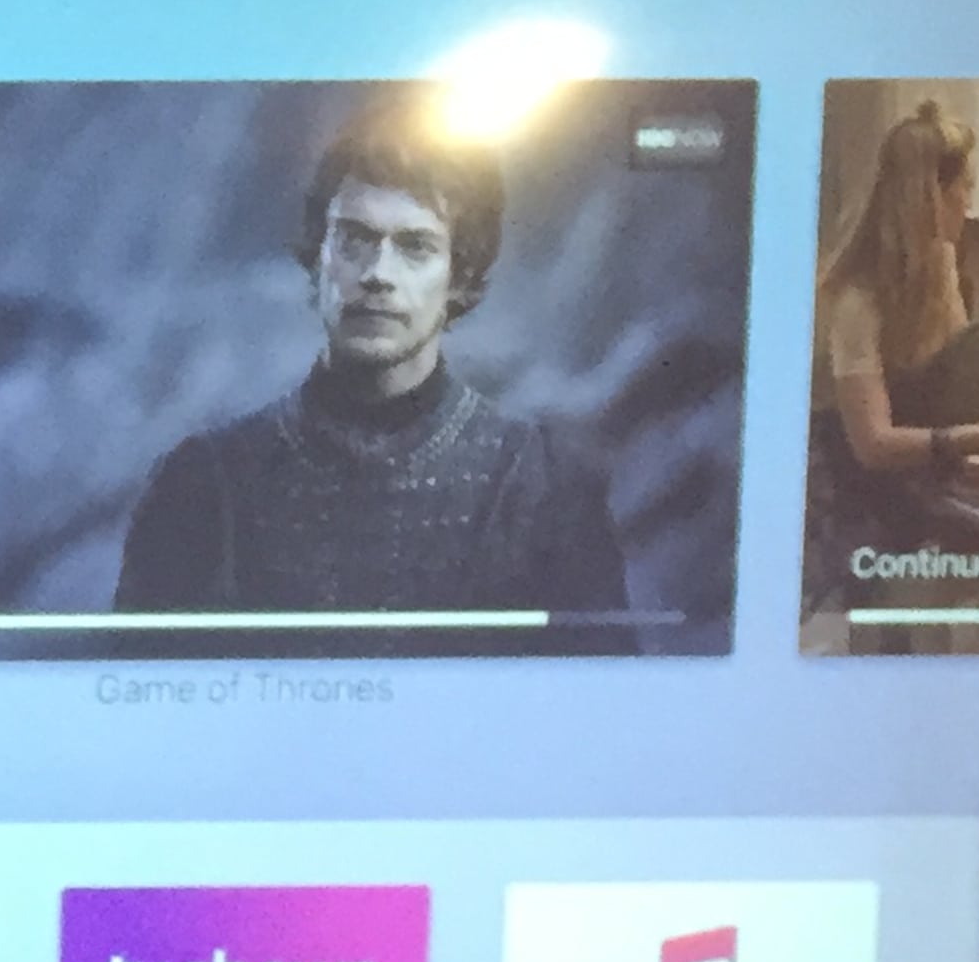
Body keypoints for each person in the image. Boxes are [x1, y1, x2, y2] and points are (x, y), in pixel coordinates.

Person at [113, 99, 632, 647]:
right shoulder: (204, 485)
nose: (377, 274)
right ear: (318, 257)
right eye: (354, 240)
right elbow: (138, 714)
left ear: (461, 274)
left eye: (415, 247)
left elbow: (600, 712)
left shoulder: (543, 490)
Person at [805, 96, 979, 647]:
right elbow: (872, 445)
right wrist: (970, 438)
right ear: (932, 196)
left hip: (928, 486)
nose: (969, 202)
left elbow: (956, 392)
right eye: (964, 187)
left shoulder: (941, 270)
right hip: (867, 505)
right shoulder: (857, 300)